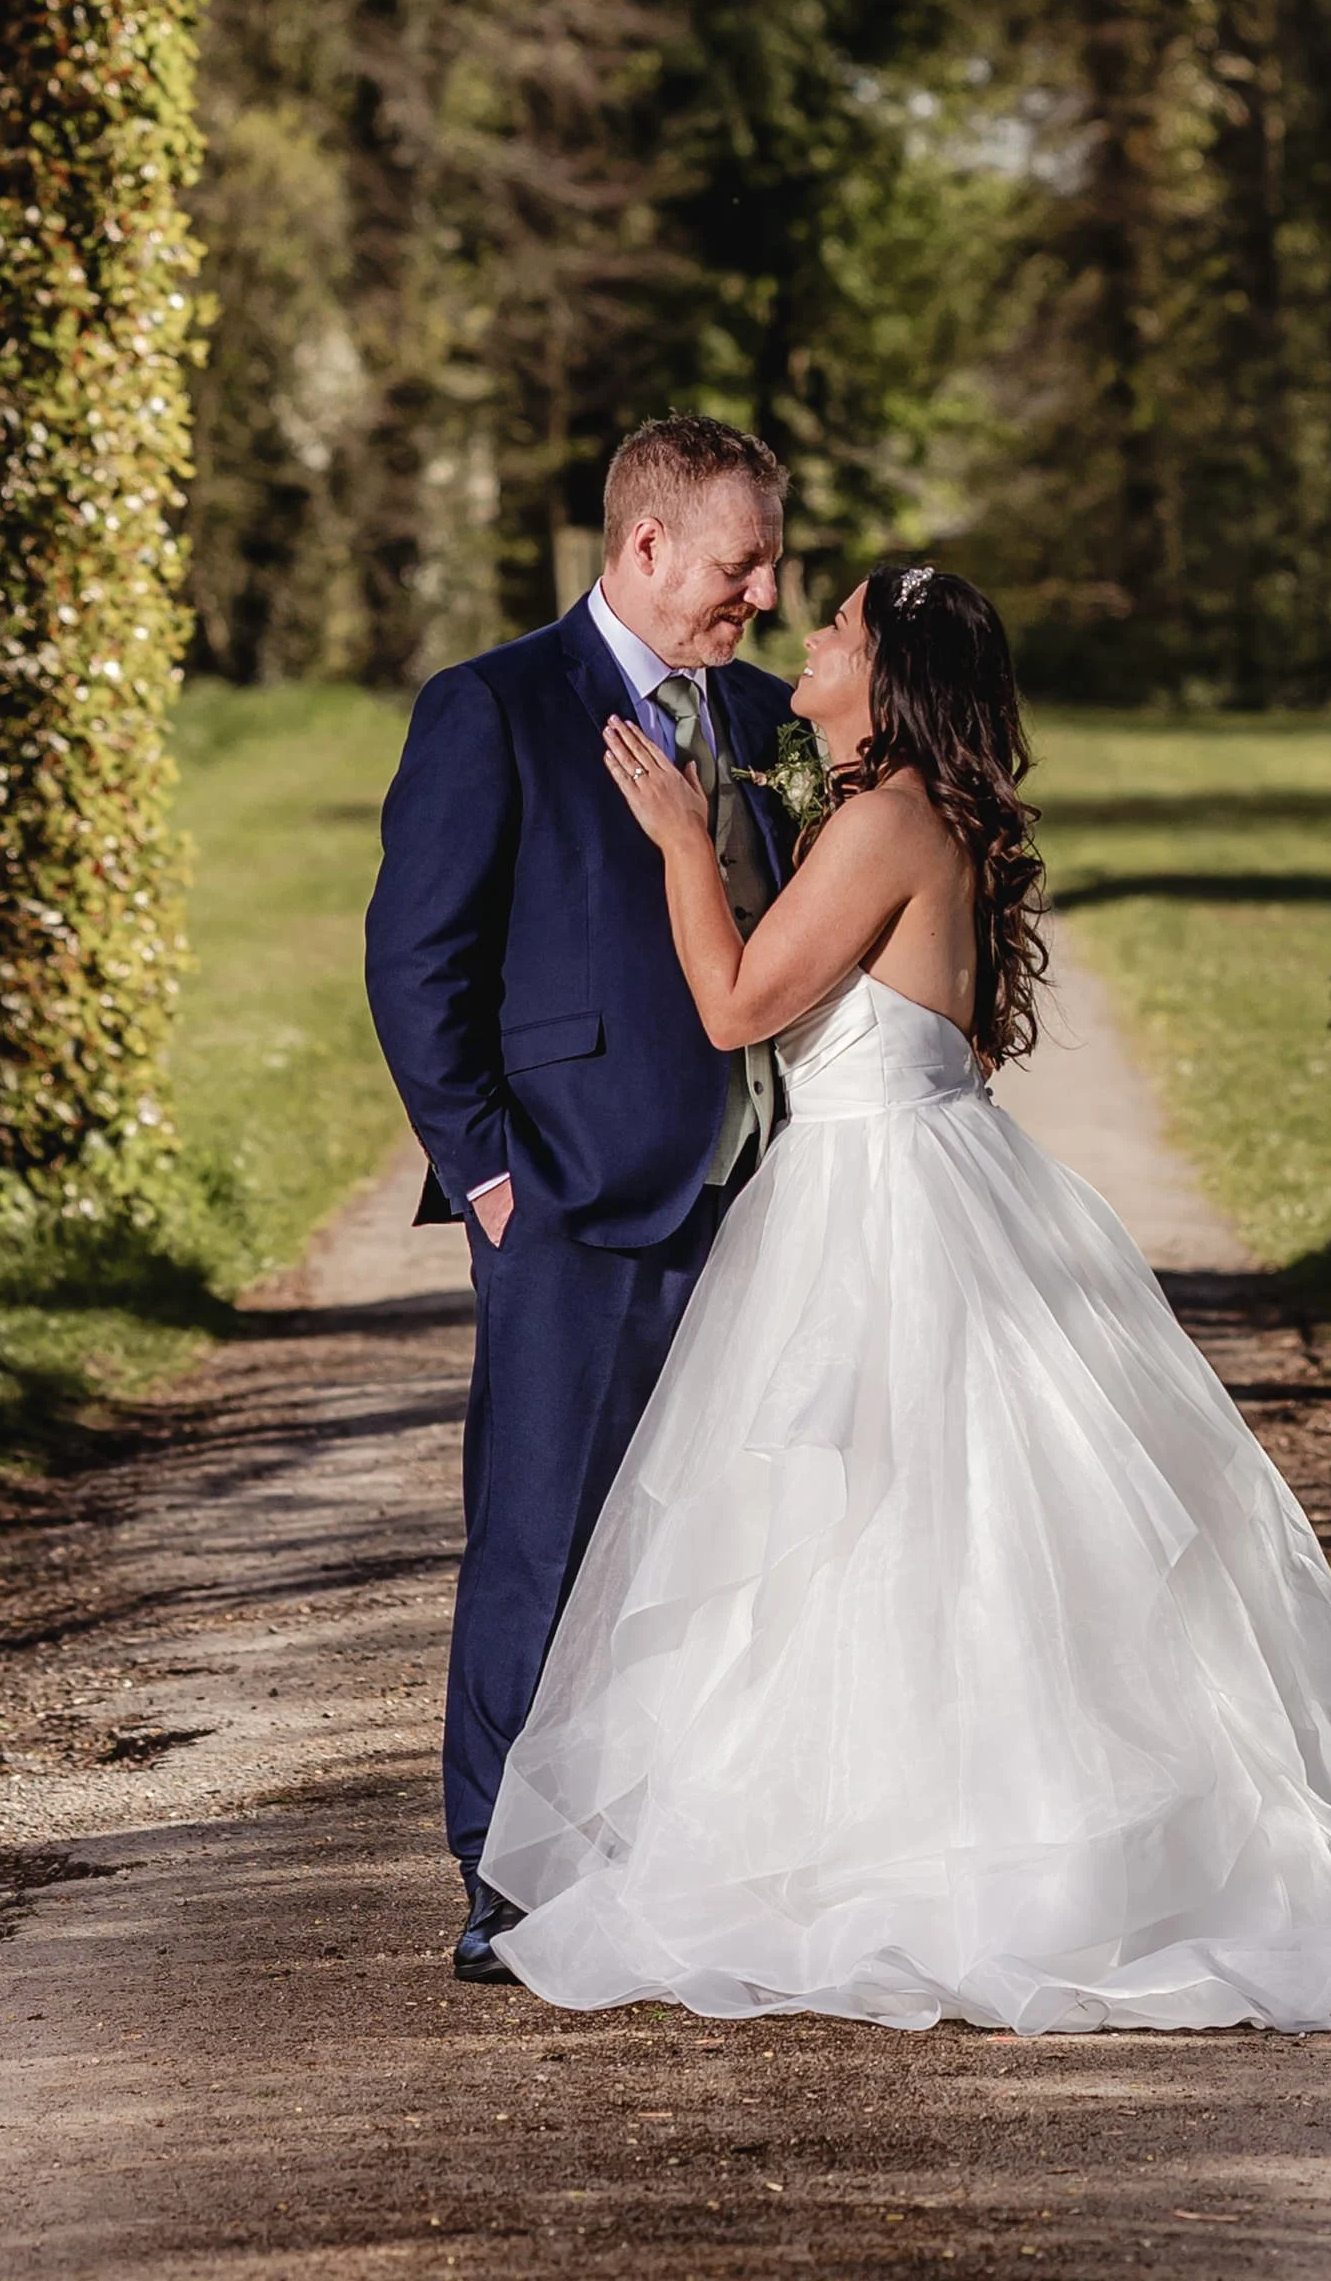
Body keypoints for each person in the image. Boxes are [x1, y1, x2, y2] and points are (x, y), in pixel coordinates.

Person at [479, 564, 1331, 2033]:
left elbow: (732, 1007)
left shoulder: (886, 819)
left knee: (894, 1527)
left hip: (880, 1203)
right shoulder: (902, 812)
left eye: (839, 628)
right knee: (911, 1532)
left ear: (891, 677)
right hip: (915, 1178)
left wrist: (675, 841)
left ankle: (925, 1870)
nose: (812, 640)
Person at [365, 415, 796, 1983]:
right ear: (646, 549)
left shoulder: (756, 715)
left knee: (724, 1540)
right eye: (739, 561)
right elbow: (418, 964)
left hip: (761, 1200)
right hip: (565, 1200)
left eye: (769, 560)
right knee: (541, 1539)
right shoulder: (491, 707)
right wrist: (488, 1174)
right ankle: (504, 1877)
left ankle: (677, 1849)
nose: (760, 590)